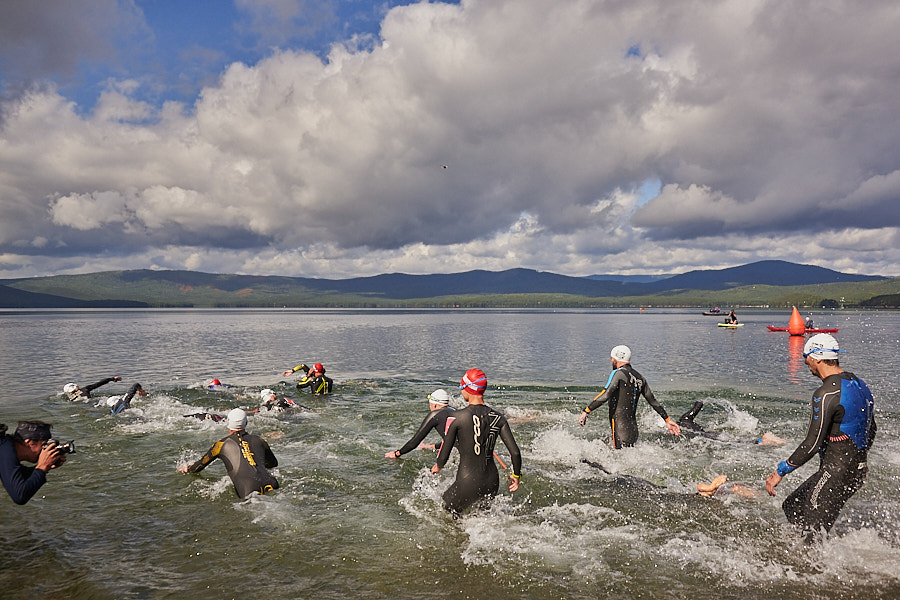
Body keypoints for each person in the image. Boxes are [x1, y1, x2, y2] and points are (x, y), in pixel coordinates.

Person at [764, 333, 876, 540]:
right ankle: (799, 560)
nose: (806, 362)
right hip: (854, 472)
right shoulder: (859, 384)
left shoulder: (825, 393)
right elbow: (871, 429)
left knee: (811, 535)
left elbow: (812, 443)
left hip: (836, 472)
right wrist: (861, 460)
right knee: (793, 506)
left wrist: (781, 470)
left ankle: (813, 566)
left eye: (806, 357)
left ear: (816, 357)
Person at [430, 369, 522, 514]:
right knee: (480, 517)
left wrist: (438, 466)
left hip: (467, 481)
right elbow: (515, 453)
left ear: (467, 388)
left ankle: (459, 535)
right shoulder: (499, 418)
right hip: (492, 482)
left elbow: (445, 452)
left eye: (461, 388)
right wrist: (516, 476)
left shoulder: (457, 417)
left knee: (445, 509)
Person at [578, 345, 681, 448]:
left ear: (616, 358)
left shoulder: (618, 373)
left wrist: (587, 410)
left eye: (611, 358)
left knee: (618, 458)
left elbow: (605, 394)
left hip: (620, 428)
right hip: (633, 430)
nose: (611, 361)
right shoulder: (640, 378)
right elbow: (653, 401)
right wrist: (667, 420)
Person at [178, 408, 279, 499]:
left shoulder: (221, 445)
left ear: (228, 424)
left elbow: (199, 466)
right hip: (272, 482)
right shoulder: (260, 440)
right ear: (246, 422)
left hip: (248, 488)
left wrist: (187, 468)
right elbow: (273, 464)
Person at [0, 421, 66, 505]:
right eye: (44, 445)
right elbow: (19, 496)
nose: (44, 451)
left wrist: (45, 467)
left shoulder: (5, 446)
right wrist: (42, 467)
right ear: (28, 442)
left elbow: (16, 476)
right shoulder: (4, 450)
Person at [385, 389, 456, 459]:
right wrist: (433, 446)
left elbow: (414, 442)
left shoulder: (435, 414)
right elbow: (454, 440)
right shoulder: (455, 411)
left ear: (434, 405)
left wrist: (397, 453)